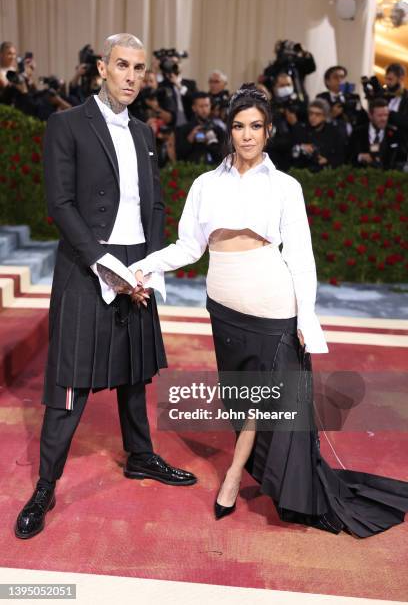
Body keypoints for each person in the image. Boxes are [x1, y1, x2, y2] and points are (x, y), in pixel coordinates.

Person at [129, 83, 408, 538]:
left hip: (272, 302)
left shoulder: (285, 186)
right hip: (222, 305)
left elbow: (300, 255)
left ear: (269, 130)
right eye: (239, 126)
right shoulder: (206, 185)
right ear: (229, 130)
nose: (246, 135)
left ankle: (234, 476)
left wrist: (306, 318)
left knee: (261, 398)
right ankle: (248, 467)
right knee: (239, 398)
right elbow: (187, 247)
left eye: (255, 126)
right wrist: (141, 268)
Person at [14, 33, 197, 541]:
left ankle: (140, 456)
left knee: (135, 370)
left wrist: (149, 268)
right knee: (69, 381)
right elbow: (61, 205)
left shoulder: (145, 133)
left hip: (137, 265)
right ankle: (46, 485)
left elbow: (155, 205)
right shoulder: (66, 123)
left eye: (139, 68)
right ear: (102, 68)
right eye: (123, 66)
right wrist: (108, 267)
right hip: (88, 267)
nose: (132, 76)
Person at [348, 98, 407, 170]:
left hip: (388, 178)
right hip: (362, 177)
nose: (384, 119)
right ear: (370, 115)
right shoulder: (358, 132)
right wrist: (360, 157)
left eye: (386, 115)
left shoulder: (395, 134)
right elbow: (348, 155)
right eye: (380, 115)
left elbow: (402, 159)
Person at [291, 98, 346, 172]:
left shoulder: (333, 132)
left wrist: (327, 160)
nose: (313, 117)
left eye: (317, 114)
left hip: (328, 173)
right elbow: (292, 152)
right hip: (306, 173)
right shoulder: (301, 130)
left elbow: (341, 156)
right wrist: (301, 148)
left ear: (325, 116)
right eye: (311, 113)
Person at [175, 91, 225, 164]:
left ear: (210, 106)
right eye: (201, 106)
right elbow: (179, 156)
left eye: (207, 105)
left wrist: (210, 142)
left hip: (214, 170)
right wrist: (190, 138)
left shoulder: (218, 129)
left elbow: (223, 156)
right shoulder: (184, 129)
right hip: (192, 171)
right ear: (194, 108)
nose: (204, 110)